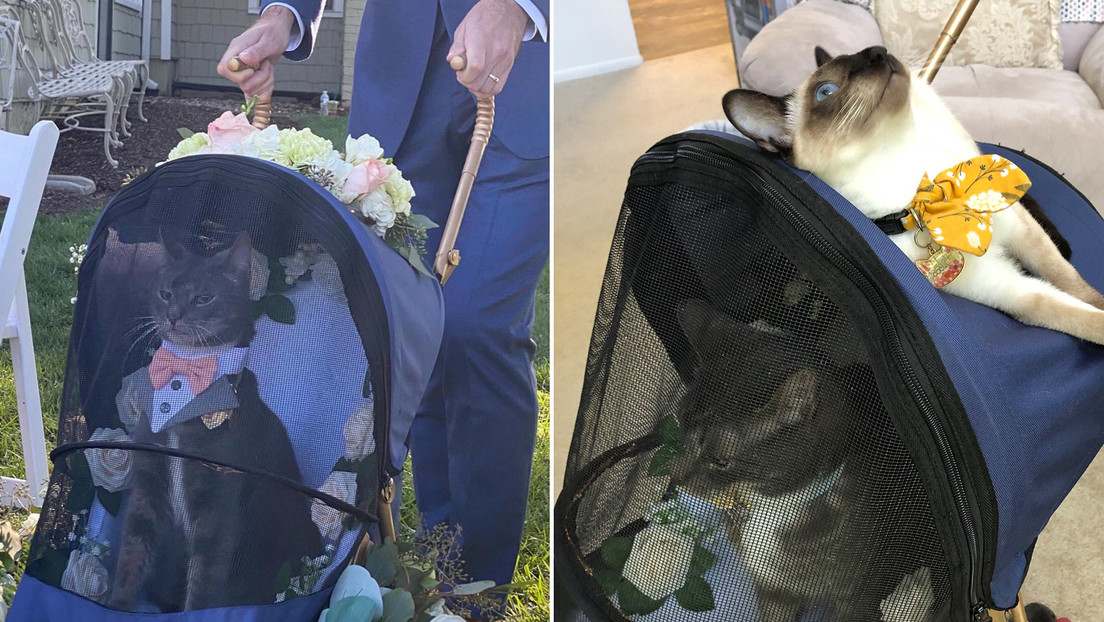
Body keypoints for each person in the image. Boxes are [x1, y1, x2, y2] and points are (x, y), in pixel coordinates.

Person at [217, 0, 549, 605]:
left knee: (477, 324)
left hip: (526, 67)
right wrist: (283, 15)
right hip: (401, 78)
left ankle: (475, 593)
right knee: (409, 318)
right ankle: (436, 560)